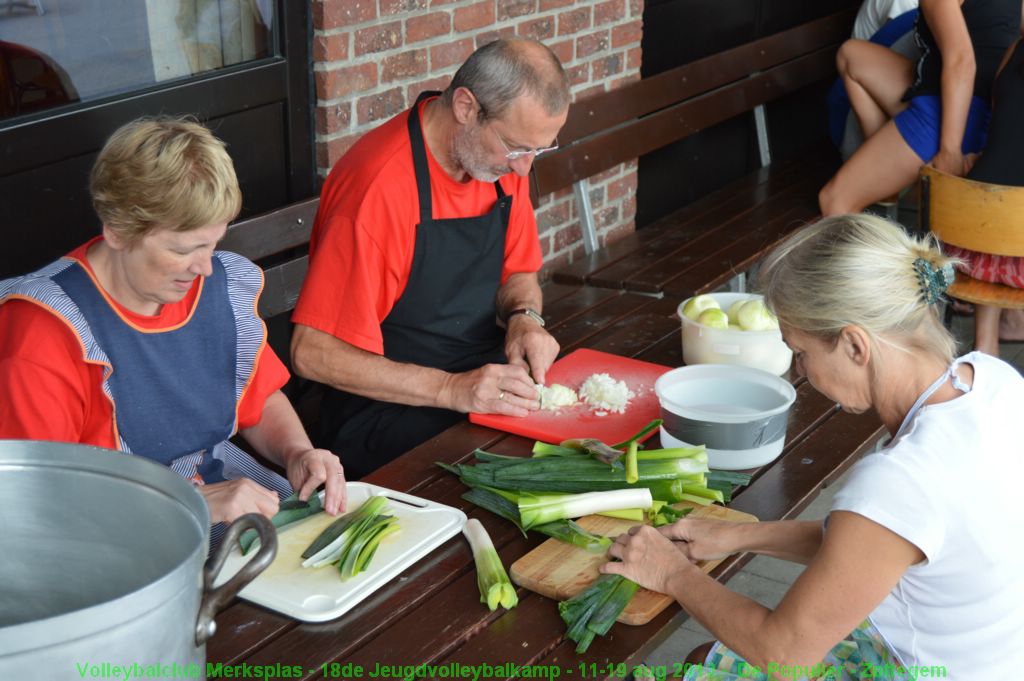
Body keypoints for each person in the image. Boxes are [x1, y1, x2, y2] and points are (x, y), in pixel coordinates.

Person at [602, 214, 1024, 680]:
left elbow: (783, 654)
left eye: (800, 352)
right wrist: (738, 536)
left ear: (854, 346)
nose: (800, 372)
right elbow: (877, 543)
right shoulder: (993, 381)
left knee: (698, 668)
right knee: (707, 656)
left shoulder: (900, 478)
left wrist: (672, 574)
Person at [0, 117, 347, 546]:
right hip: (122, 547)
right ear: (118, 232)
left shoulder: (213, 285)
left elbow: (255, 396)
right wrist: (193, 502)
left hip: (231, 505)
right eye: (183, 250)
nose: (204, 267)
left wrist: (298, 452)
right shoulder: (46, 332)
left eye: (212, 244)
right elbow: (40, 506)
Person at [291, 38, 569, 478]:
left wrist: (525, 318)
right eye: (517, 149)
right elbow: (313, 353)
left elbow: (519, 271)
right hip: (385, 413)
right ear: (465, 106)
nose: (524, 169)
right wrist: (450, 389)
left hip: (479, 381)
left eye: (540, 150)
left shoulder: (493, 165)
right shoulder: (377, 189)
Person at [819, 0, 1021, 215]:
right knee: (851, 55)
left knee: (834, 200)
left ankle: (888, 175)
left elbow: (962, 61)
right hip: (987, 112)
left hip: (950, 114)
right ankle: (887, 180)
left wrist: (949, 151)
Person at [944, 36, 1024, 355]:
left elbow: (1002, 131)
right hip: (1016, 258)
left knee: (997, 216)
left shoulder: (1014, 48)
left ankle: (985, 344)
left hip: (973, 248)